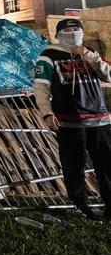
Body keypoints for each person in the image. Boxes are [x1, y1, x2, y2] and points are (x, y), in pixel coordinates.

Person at [34, 18, 111, 221]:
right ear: (59, 35)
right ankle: (81, 205)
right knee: (73, 165)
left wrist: (89, 56)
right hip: (69, 121)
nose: (73, 33)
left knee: (107, 164)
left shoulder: (90, 54)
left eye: (77, 30)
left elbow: (108, 76)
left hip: (99, 120)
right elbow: (40, 88)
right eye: (68, 30)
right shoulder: (48, 56)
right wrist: (47, 113)